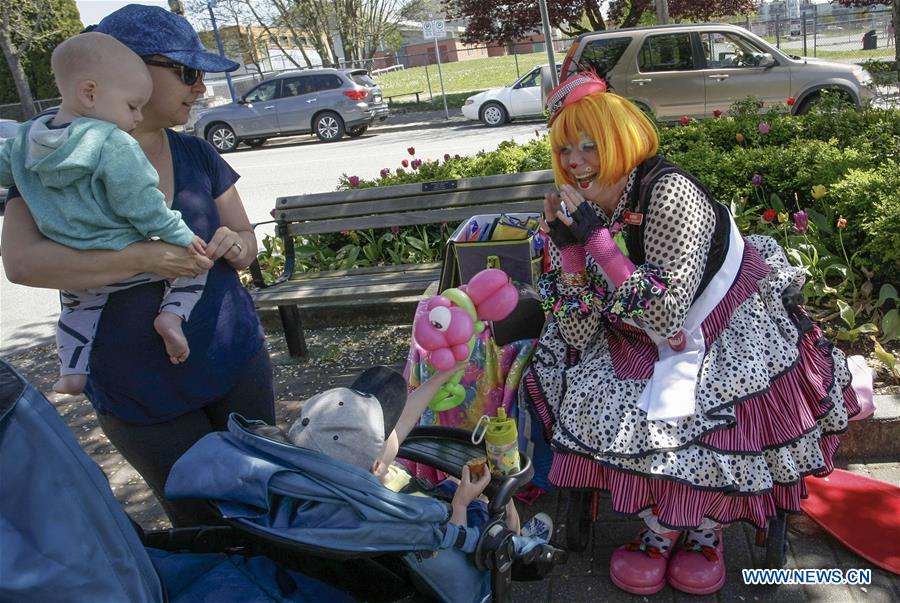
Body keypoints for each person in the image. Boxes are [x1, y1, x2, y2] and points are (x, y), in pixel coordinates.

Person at [519, 71, 859, 595]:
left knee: (707, 414)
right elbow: (580, 332)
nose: (576, 161)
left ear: (621, 141)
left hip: (720, 320)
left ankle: (704, 528)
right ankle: (660, 525)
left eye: (591, 146)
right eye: (566, 149)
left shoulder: (669, 194)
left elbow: (668, 316)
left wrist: (600, 244)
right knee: (595, 394)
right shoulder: (584, 207)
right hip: (635, 328)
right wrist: (568, 248)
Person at [0, 4, 274, 527]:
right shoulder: (49, 160)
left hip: (235, 360)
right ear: (128, 66)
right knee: (202, 528)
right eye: (188, 72)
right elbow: (21, 263)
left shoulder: (197, 153)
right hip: (138, 390)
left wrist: (239, 247)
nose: (200, 88)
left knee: (265, 498)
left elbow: (244, 236)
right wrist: (144, 257)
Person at [0, 32, 208, 396]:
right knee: (194, 272)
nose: (137, 116)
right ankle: (171, 317)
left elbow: (6, 170)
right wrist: (181, 236)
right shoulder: (112, 143)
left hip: (76, 264)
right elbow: (143, 203)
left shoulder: (25, 142)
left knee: (76, 311)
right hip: (128, 251)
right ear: (90, 93)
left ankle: (72, 370)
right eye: (131, 106)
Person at [287, 364, 553, 540]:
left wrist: (440, 378)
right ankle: (518, 545)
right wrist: (460, 504)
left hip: (426, 501)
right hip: (450, 532)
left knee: (454, 482)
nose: (396, 427)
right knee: (496, 496)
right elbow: (448, 554)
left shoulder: (341, 477)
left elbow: (401, 425)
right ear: (376, 465)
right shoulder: (397, 516)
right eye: (387, 428)